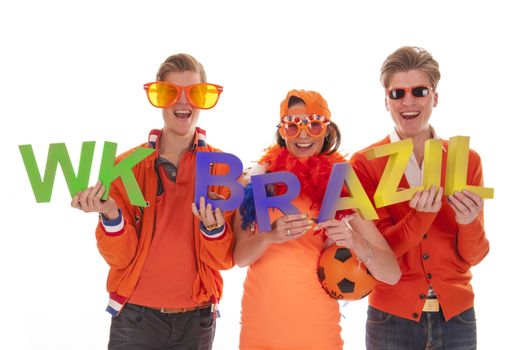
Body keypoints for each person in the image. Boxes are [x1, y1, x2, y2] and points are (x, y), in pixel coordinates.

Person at [71, 53, 234, 350]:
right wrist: (110, 214)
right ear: (158, 97)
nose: (183, 102)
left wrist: (214, 230)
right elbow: (119, 258)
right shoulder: (126, 166)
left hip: (196, 323)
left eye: (194, 93)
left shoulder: (222, 169)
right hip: (135, 321)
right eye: (171, 92)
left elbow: (224, 260)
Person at [234, 89, 401, 350]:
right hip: (259, 328)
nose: (303, 135)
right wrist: (269, 236)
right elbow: (240, 258)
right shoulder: (256, 180)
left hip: (318, 331)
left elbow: (391, 274)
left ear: (327, 130)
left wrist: (355, 241)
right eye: (292, 126)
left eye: (313, 125)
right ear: (282, 130)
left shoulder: (342, 187)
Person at [350, 46, 490, 349]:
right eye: (397, 93)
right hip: (391, 318)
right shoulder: (364, 163)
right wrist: (420, 216)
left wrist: (468, 223)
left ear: (435, 98)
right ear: (386, 101)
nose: (408, 102)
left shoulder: (467, 160)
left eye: (419, 91)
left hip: (458, 317)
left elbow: (475, 256)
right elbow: (382, 254)